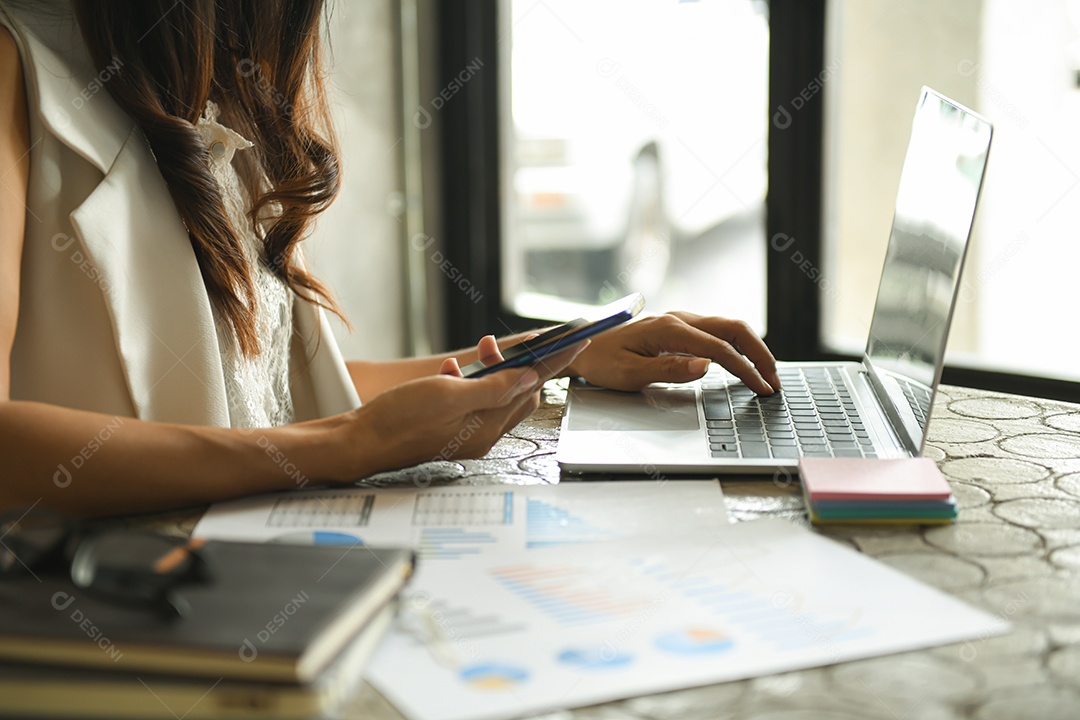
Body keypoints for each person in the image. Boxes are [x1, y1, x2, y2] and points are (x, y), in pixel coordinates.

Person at [0, 0, 779, 519]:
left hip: (246, 568)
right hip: (111, 611)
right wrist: (347, 450)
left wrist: (548, 356)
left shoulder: (209, 96)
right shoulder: (18, 66)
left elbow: (274, 396)